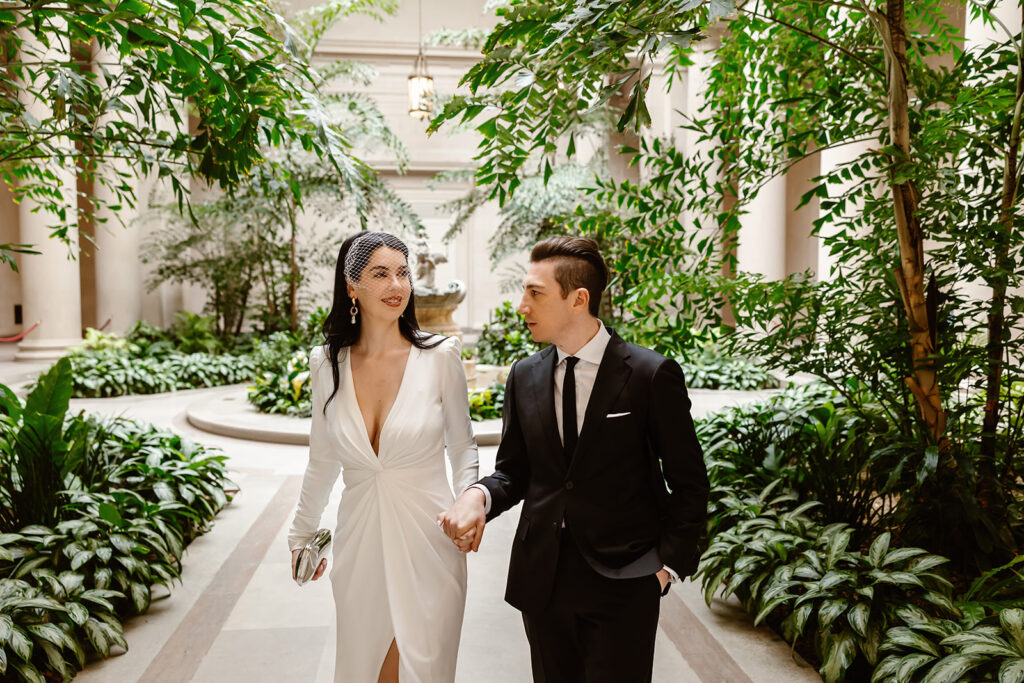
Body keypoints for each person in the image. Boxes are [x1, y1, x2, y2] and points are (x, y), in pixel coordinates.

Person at [439, 236, 709, 683]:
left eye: (535, 293)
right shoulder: (524, 375)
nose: (522, 306)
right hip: (542, 580)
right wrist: (478, 494)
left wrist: (666, 569)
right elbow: (515, 471)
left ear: (578, 299)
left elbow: (689, 481)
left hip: (627, 580)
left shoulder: (650, 374)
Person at [288, 231, 479, 683]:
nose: (397, 284)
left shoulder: (440, 356)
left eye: (402, 272)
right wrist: (301, 535)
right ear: (351, 286)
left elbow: (463, 445)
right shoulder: (326, 362)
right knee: (364, 669)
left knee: (422, 669)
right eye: (380, 274)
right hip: (360, 542)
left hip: (430, 541)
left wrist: (466, 504)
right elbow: (321, 459)